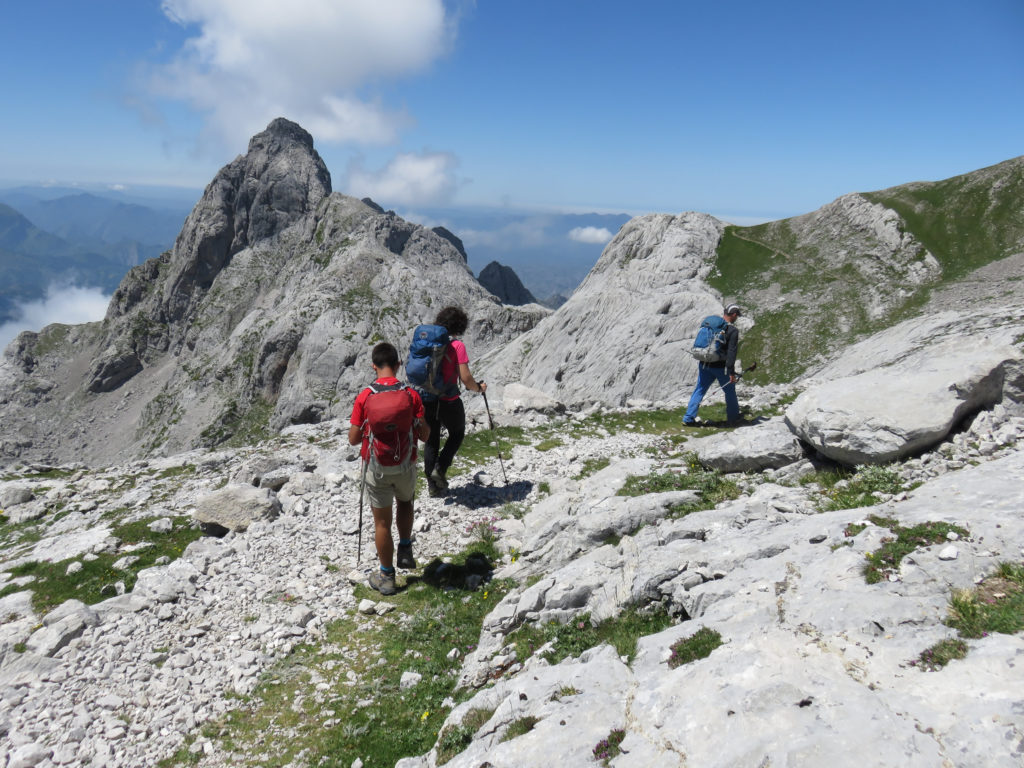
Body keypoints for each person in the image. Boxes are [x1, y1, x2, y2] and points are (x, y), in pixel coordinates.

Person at [348, 342, 430, 595]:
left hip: (377, 468)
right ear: (397, 365)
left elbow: (352, 439)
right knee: (405, 503)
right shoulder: (411, 395)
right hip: (405, 464)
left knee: (381, 523)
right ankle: (405, 548)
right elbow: (425, 434)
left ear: (374, 366)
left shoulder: (365, 396)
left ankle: (386, 577)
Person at [423, 306, 487, 497]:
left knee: (431, 439)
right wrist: (478, 388)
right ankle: (440, 470)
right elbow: (466, 378)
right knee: (457, 433)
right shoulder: (457, 346)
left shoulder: (427, 343)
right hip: (449, 399)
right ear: (459, 326)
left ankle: (433, 486)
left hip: (427, 399)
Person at [683, 304, 742, 426]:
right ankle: (733, 418)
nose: (737, 318)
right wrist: (731, 372)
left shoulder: (712, 326)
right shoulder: (732, 331)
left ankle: (688, 418)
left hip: (704, 364)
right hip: (720, 367)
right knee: (730, 392)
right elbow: (731, 353)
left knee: (699, 389)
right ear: (734, 315)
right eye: (737, 316)